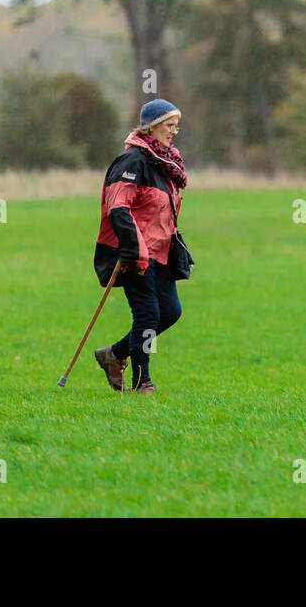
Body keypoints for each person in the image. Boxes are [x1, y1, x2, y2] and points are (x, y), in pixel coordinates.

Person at [91, 99, 192, 394]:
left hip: (162, 251)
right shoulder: (132, 162)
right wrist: (134, 249)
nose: (174, 132)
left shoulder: (162, 162)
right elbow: (118, 208)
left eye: (176, 125)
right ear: (152, 126)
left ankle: (114, 354)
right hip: (136, 254)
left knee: (170, 312)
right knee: (147, 315)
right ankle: (142, 382)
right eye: (169, 125)